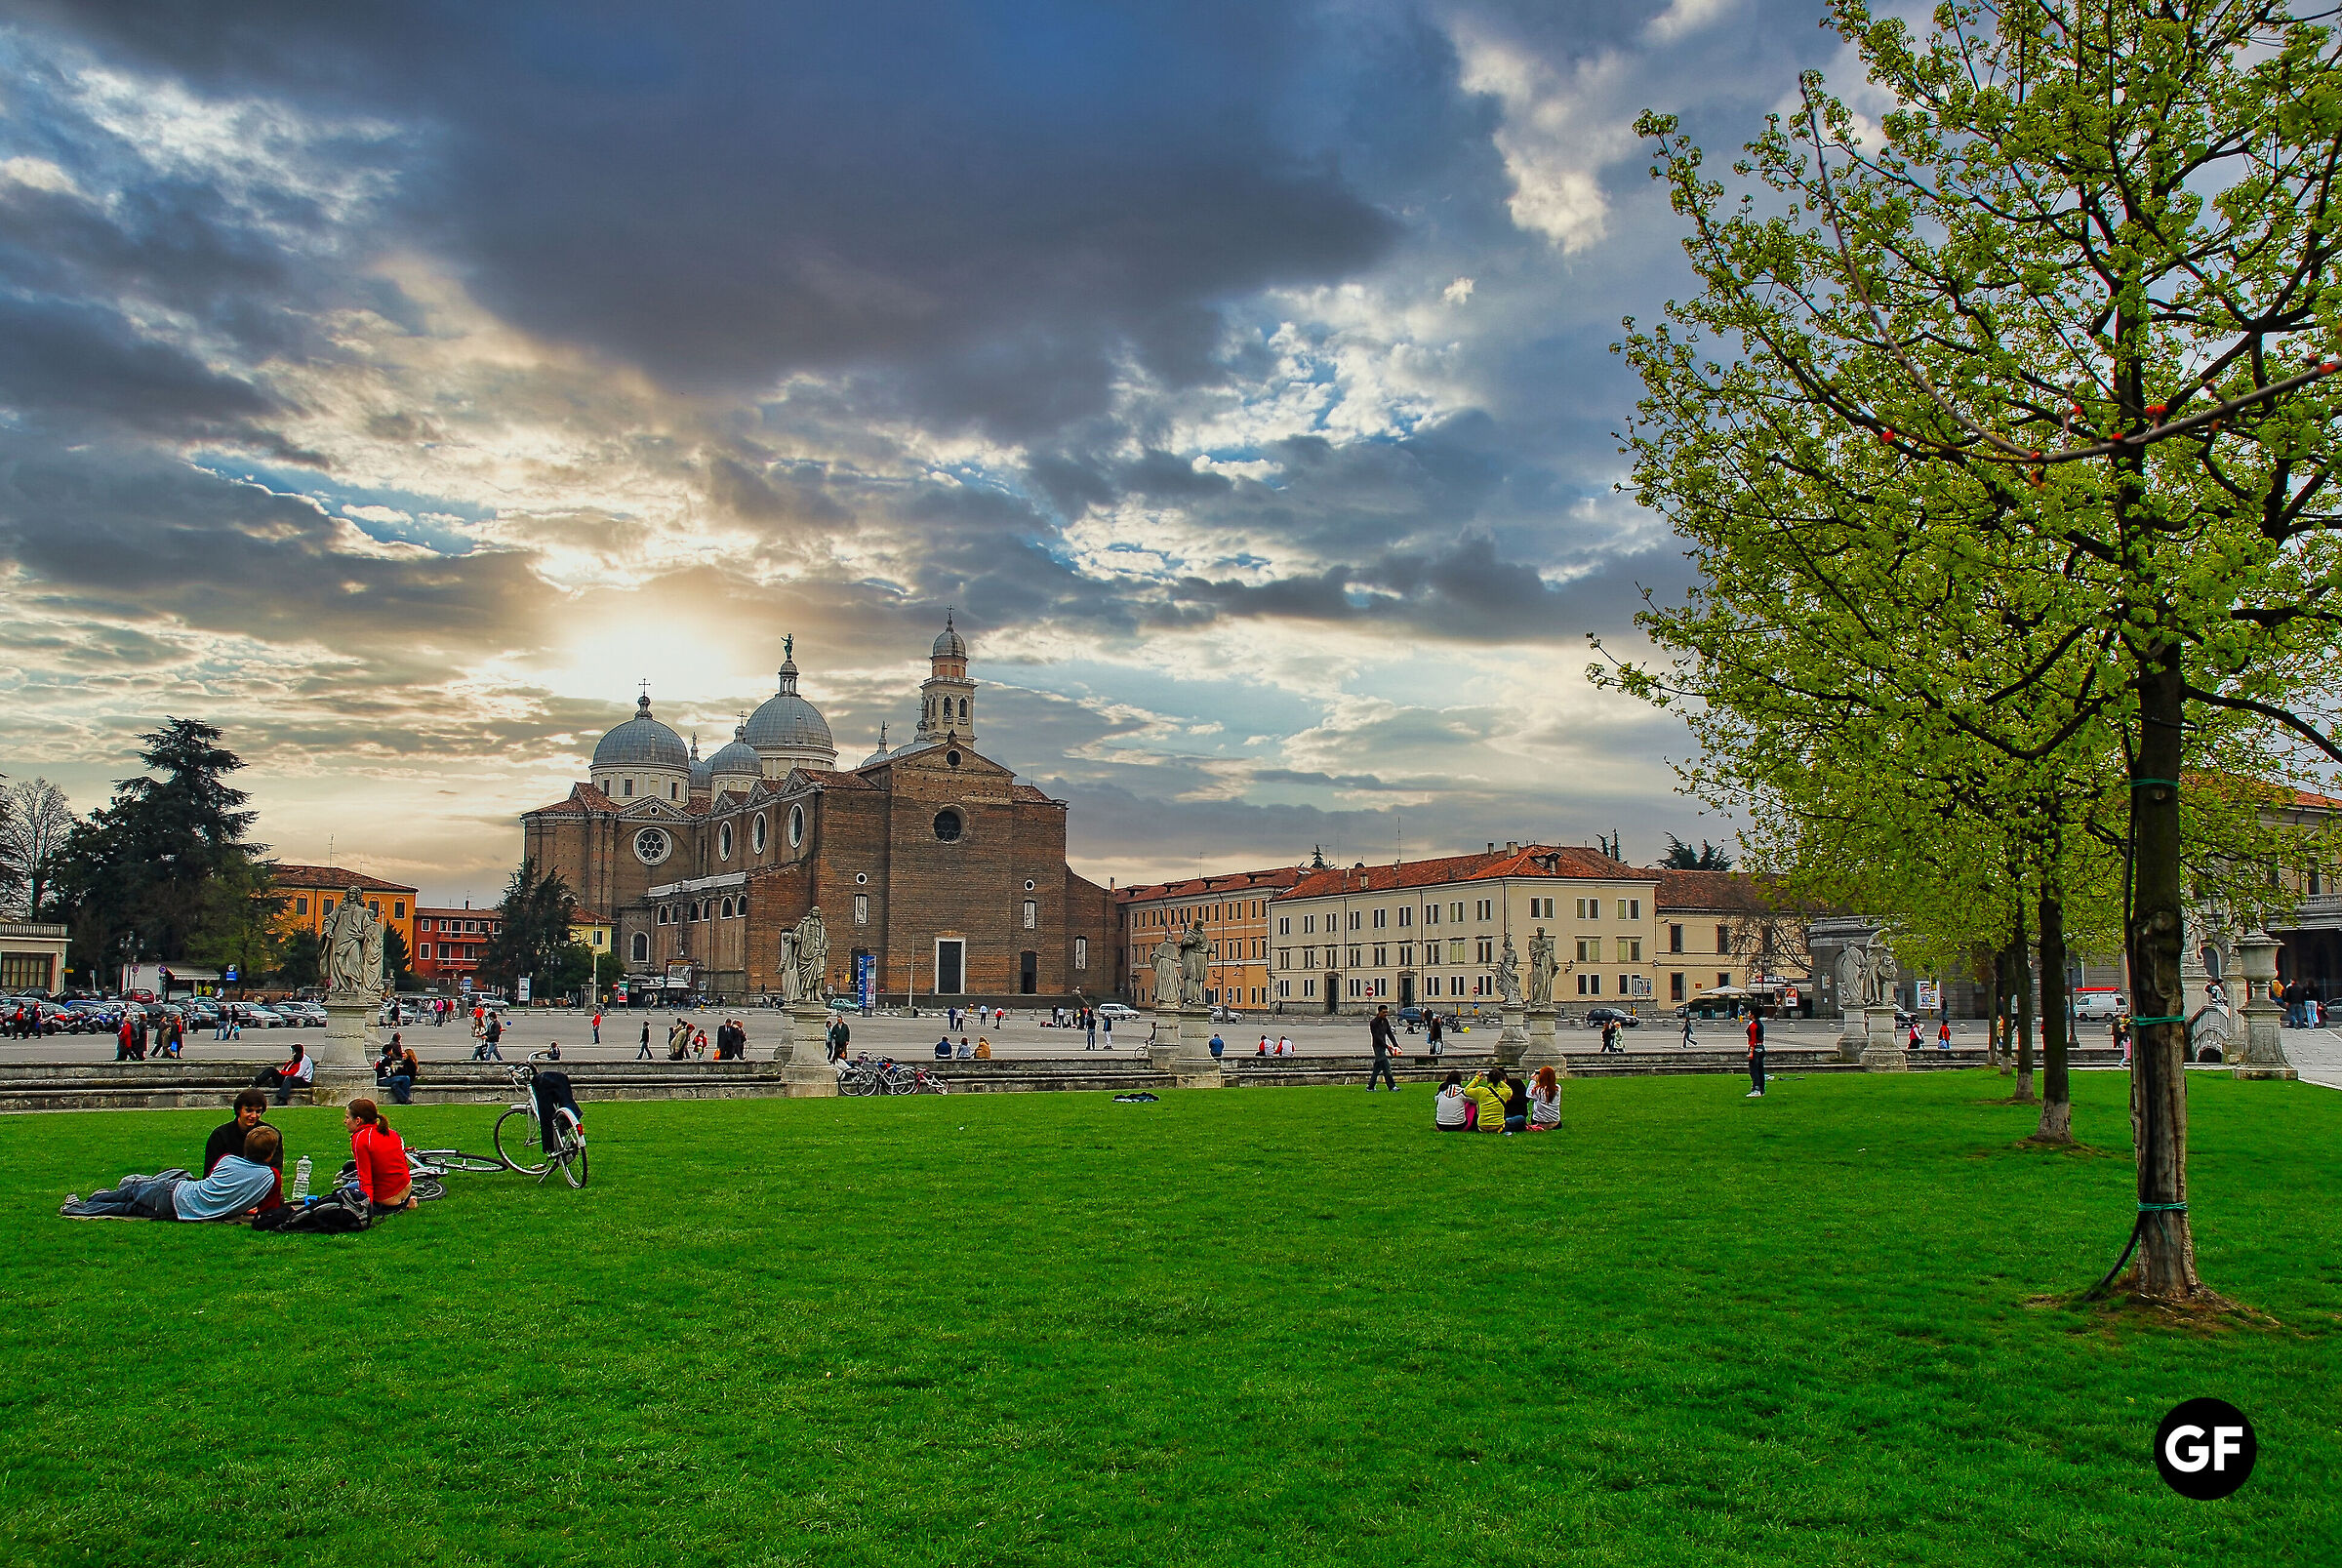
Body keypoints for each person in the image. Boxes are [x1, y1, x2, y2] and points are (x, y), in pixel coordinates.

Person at [62, 1125, 282, 1222]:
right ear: (270, 1154)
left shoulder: (227, 1160)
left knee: (133, 1191)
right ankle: (84, 1206)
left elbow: (211, 1180)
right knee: (130, 1208)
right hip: (177, 1211)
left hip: (175, 1195)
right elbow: (269, 1208)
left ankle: (90, 1201)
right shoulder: (272, 1177)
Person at [203, 1090, 283, 1207]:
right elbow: (210, 1172)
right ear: (238, 1110)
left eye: (258, 1111)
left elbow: (276, 1168)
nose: (254, 1116)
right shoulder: (220, 1135)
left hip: (259, 1184)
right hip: (228, 1186)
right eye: (249, 1110)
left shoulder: (270, 1134)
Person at [343, 1099, 414, 1216]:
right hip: (406, 1190)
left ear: (358, 1120)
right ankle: (406, 1203)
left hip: (387, 1201)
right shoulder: (391, 1132)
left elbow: (365, 1178)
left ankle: (395, 1206)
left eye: (347, 1117)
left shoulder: (360, 1138)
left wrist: (366, 1208)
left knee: (343, 1192)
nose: (344, 1121)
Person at [262, 1042, 313, 1106]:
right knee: (272, 1070)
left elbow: (299, 1074)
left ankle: (282, 1099)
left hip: (303, 1081)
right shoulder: (296, 1058)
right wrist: (281, 1073)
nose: (292, 1052)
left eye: (293, 1051)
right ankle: (256, 1081)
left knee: (289, 1079)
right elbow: (286, 1068)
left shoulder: (304, 1059)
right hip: (292, 1077)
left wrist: (285, 1075)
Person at [1366, 1004, 1399, 1091]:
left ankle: (1370, 1087)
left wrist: (1396, 1045)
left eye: (1386, 1012)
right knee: (1386, 1066)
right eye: (1384, 1012)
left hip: (1383, 1046)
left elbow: (1390, 1034)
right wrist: (1387, 1046)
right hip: (1377, 1047)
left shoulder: (1385, 1021)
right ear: (1379, 1012)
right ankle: (1392, 1086)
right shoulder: (1374, 1023)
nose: (1385, 1014)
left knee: (1377, 1068)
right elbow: (1377, 1037)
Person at [1528, 1066, 1561, 1131]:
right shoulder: (1558, 1088)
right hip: (1555, 1122)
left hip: (1539, 1122)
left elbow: (1528, 1094)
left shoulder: (1539, 1090)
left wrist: (1533, 1080)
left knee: (1535, 1104)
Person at [1498, 1068, 1529, 1134]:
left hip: (1517, 1114)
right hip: (1503, 1115)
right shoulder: (1496, 1088)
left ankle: (1504, 1125)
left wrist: (1510, 1099)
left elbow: (1525, 1099)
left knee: (1520, 1119)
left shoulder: (1517, 1083)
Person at [1746, 1009, 1767, 1097]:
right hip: (1761, 1047)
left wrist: (1751, 1051)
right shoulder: (1760, 1025)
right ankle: (1762, 1089)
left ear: (1753, 1015)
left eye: (1749, 1012)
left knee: (1754, 1070)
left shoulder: (1753, 1025)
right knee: (1760, 1069)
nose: (1748, 1014)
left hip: (1755, 1048)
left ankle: (1756, 1088)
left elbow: (1753, 1039)